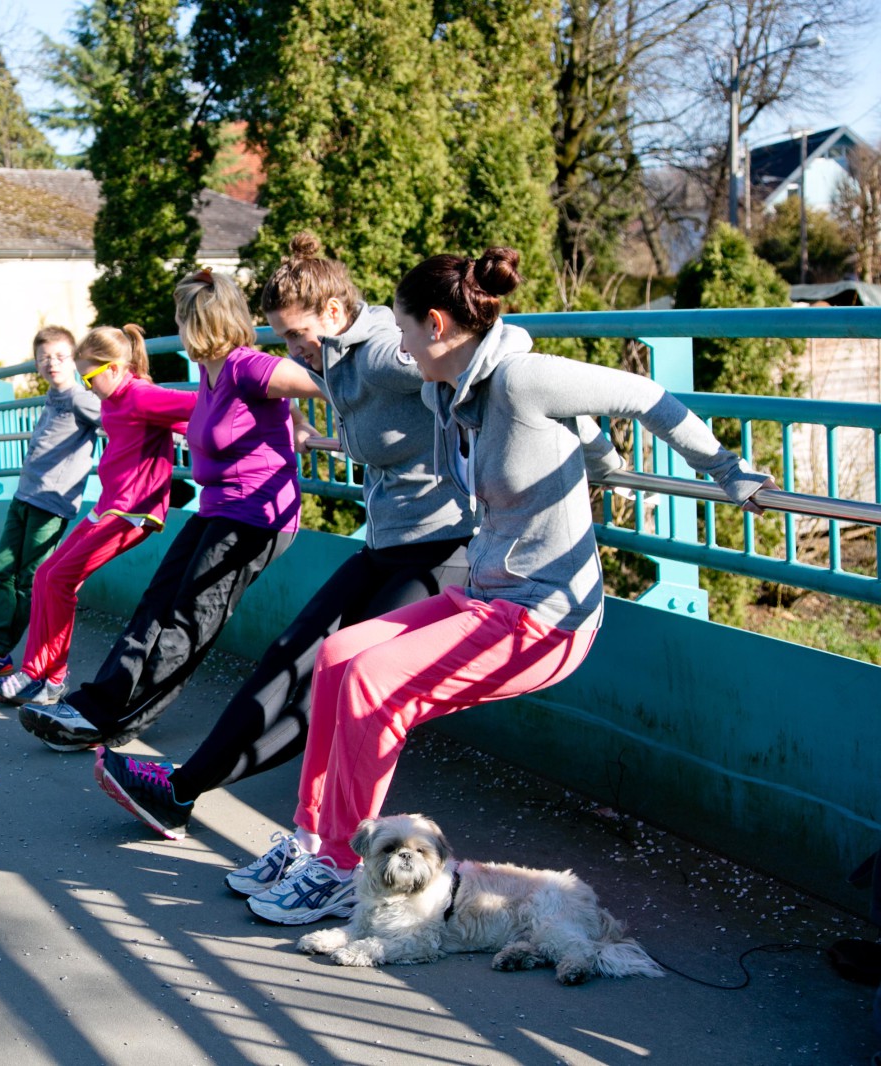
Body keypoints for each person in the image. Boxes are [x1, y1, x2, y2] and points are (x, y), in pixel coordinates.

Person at [243, 247, 773, 925]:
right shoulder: (449, 390)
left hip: (543, 618)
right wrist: (595, 455)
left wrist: (729, 472)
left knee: (376, 682)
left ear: (436, 326)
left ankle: (349, 869)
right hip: (487, 596)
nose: (396, 346)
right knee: (342, 655)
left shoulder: (522, 378)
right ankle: (316, 840)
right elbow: (551, 437)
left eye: (402, 332)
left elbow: (643, 396)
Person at [94, 233, 620, 849]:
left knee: (336, 679)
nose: (291, 352)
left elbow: (499, 363)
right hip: (387, 542)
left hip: (442, 548)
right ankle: (257, 818)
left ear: (337, 315)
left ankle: (247, 816)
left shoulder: (384, 356)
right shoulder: (338, 364)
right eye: (283, 339)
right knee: (292, 653)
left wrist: (598, 456)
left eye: (296, 337)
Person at [19, 268, 324, 752]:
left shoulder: (247, 365)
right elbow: (280, 404)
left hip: (256, 519)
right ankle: (95, 703)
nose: (178, 329)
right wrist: (297, 421)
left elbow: (315, 381)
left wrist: (320, 421)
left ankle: (115, 721)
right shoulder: (210, 371)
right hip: (217, 508)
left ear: (203, 322)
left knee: (187, 621)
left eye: (182, 319)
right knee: (155, 605)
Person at [0, 325, 196, 707]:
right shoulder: (110, 397)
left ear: (114, 368)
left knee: (60, 578)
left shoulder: (142, 395)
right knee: (46, 575)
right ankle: (36, 674)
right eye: (83, 377)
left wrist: (248, 432)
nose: (87, 386)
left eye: (90, 377)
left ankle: (48, 679)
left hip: (134, 512)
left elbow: (201, 409)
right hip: (108, 506)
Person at [0, 327, 102, 683]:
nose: (53, 363)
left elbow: (122, 419)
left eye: (62, 357)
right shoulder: (52, 398)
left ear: (75, 361)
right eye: (45, 358)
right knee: (2, 568)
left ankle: (19, 657)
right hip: (23, 497)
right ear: (36, 364)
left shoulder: (81, 399)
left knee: (31, 579)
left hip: (52, 504)